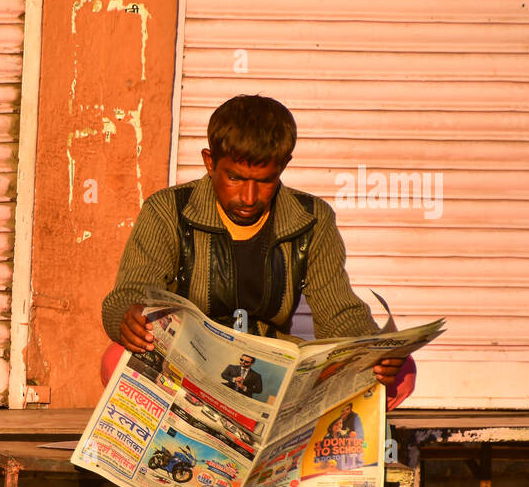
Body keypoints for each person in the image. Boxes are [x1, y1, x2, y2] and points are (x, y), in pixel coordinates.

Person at [100, 94, 413, 408]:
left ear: (283, 167)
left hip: (272, 363)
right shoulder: (167, 210)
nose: (249, 197)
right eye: (235, 177)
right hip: (190, 359)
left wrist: (374, 350)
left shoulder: (312, 220)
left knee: (401, 373)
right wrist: (129, 317)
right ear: (210, 162)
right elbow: (130, 293)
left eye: (265, 181)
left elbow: (339, 312)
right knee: (116, 359)